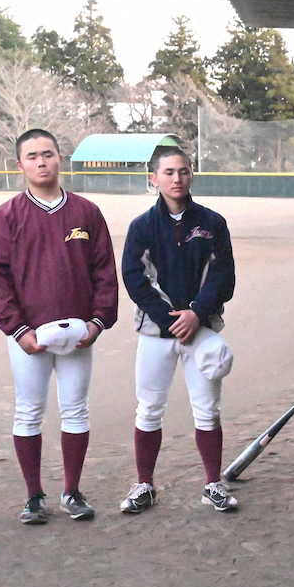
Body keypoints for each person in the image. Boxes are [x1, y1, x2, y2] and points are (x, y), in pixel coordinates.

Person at [0, 128, 118, 525]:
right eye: (32, 156)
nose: (41, 162)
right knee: (28, 413)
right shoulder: (7, 215)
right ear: (20, 164)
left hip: (78, 334)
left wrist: (97, 323)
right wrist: (17, 330)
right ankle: (34, 496)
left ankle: (72, 492)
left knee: (75, 411)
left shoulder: (86, 212)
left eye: (48, 154)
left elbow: (104, 271)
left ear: (61, 158)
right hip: (29, 336)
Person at [119, 146, 237, 514]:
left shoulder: (212, 223)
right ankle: (144, 485)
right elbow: (134, 278)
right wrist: (171, 318)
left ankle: (212, 484)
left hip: (200, 330)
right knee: (149, 409)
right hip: (156, 332)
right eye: (168, 172)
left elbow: (224, 277)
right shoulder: (141, 227)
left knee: (207, 410)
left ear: (191, 174)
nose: (177, 178)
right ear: (153, 178)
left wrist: (196, 314)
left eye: (183, 171)